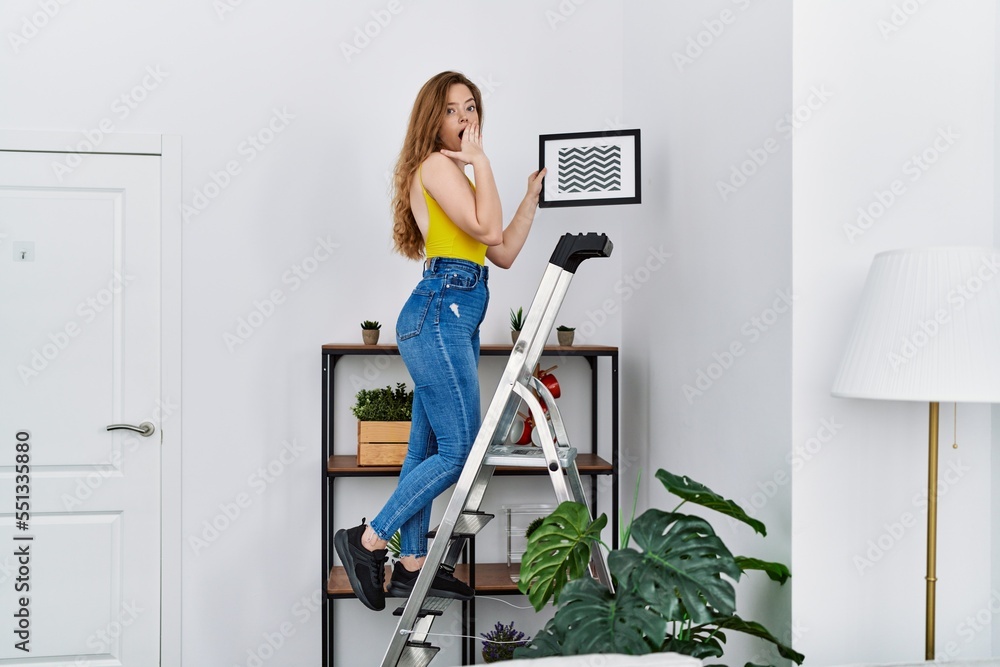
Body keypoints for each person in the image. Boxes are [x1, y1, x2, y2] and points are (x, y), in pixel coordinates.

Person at [334, 71, 546, 611]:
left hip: (456, 314)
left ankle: (408, 566)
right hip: (438, 312)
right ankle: (368, 541)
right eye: (453, 110)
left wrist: (529, 198)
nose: (465, 118)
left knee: (425, 451)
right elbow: (489, 230)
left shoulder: (462, 175)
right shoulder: (435, 166)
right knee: (460, 452)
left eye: (471, 107)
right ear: (435, 118)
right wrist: (485, 164)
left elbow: (501, 251)